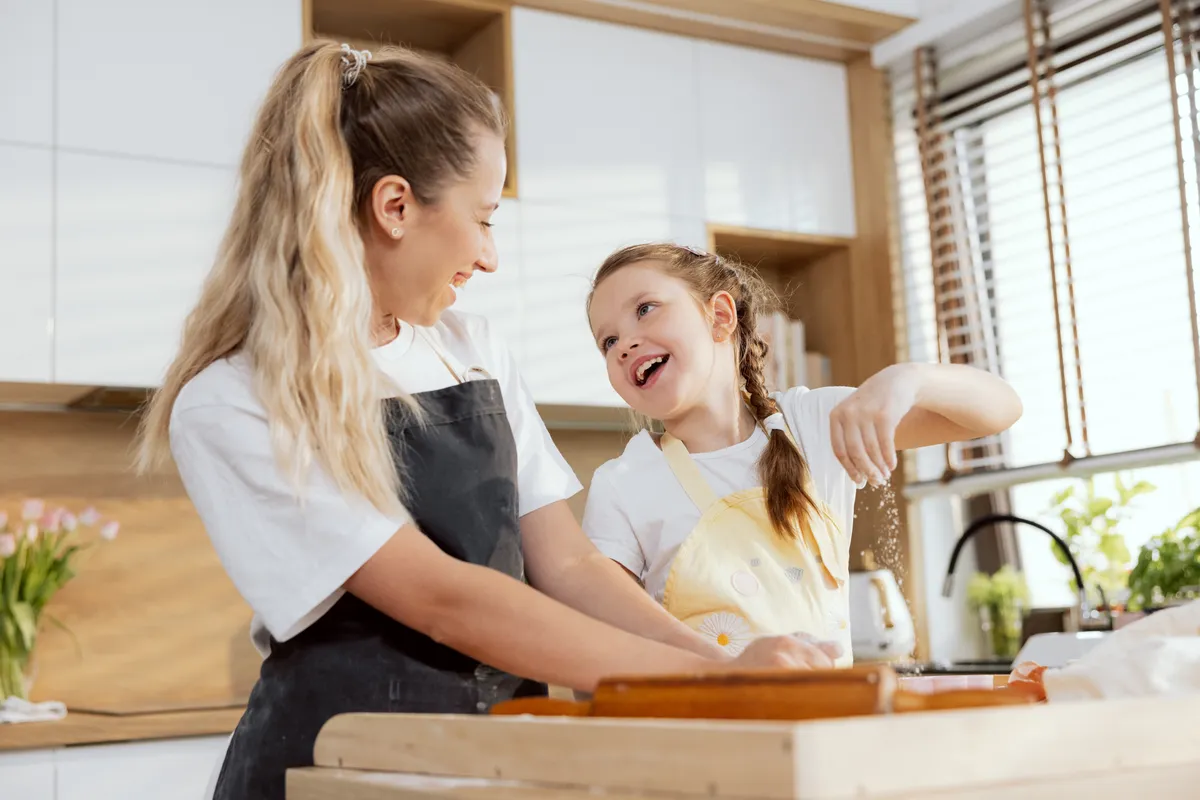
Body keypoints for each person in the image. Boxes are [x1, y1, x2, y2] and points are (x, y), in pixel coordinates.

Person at [134, 42, 836, 800]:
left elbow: (568, 567)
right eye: (483, 218)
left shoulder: (473, 351)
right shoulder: (232, 398)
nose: (492, 256)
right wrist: (707, 679)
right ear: (395, 207)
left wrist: (722, 669)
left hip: (501, 763)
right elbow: (445, 600)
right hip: (337, 771)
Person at [582, 243, 1024, 663]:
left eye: (645, 309)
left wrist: (910, 380)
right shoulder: (622, 484)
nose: (625, 345)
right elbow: (602, 640)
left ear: (719, 316)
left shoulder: (811, 424)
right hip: (703, 717)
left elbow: (1000, 409)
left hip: (826, 712)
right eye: (608, 341)